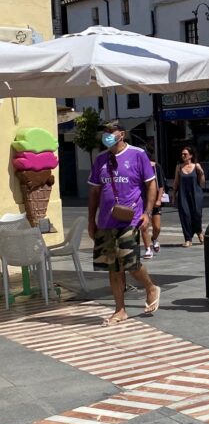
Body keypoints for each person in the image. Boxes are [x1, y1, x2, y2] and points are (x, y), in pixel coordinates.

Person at [87, 122, 160, 326]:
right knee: (113, 267)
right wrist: (91, 220)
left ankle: (150, 287)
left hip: (130, 218)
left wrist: (147, 212)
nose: (107, 135)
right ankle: (120, 310)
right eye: (105, 132)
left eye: (111, 132)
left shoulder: (137, 155)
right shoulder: (100, 159)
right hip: (105, 221)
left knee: (129, 263)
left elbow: (151, 184)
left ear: (122, 134)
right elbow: (94, 192)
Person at [173, 146, 205, 247]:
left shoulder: (196, 166)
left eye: (185, 154)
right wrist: (173, 195)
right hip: (183, 195)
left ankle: (199, 231)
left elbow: (202, 183)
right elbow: (176, 182)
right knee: (185, 215)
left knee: (197, 213)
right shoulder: (179, 167)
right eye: (182, 154)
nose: (183, 156)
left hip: (196, 194)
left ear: (190, 155)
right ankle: (188, 238)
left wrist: (201, 172)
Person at [142, 151, 166, 259]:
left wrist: (159, 199)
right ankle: (148, 249)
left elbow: (161, 185)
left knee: (157, 227)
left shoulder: (156, 166)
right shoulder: (137, 167)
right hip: (142, 201)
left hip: (155, 199)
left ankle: (154, 238)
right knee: (144, 226)